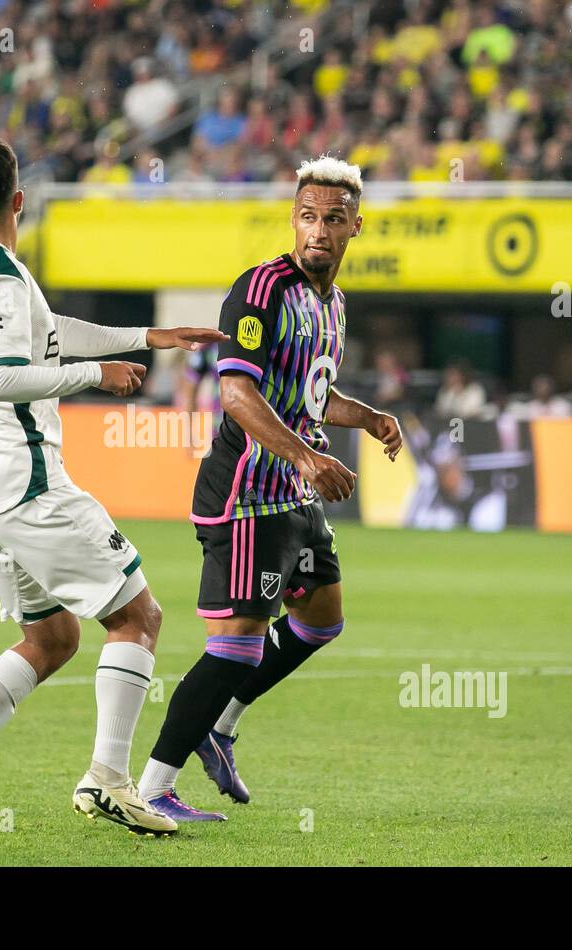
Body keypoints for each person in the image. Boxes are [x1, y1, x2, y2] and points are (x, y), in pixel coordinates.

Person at [0, 134, 226, 837]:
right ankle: (109, 780)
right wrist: (95, 377)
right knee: (138, 618)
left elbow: (42, 331)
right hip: (26, 486)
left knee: (52, 638)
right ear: (20, 199)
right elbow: (0, 375)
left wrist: (144, 336)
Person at [135, 156, 403, 821]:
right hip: (247, 493)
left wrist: (365, 417)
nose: (318, 231)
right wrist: (309, 458)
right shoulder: (262, 289)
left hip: (292, 493)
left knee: (321, 619)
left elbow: (308, 392)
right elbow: (236, 393)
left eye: (333, 220)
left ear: (355, 227)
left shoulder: (331, 302)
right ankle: (151, 789)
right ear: (294, 219)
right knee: (235, 646)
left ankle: (220, 729)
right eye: (308, 217)